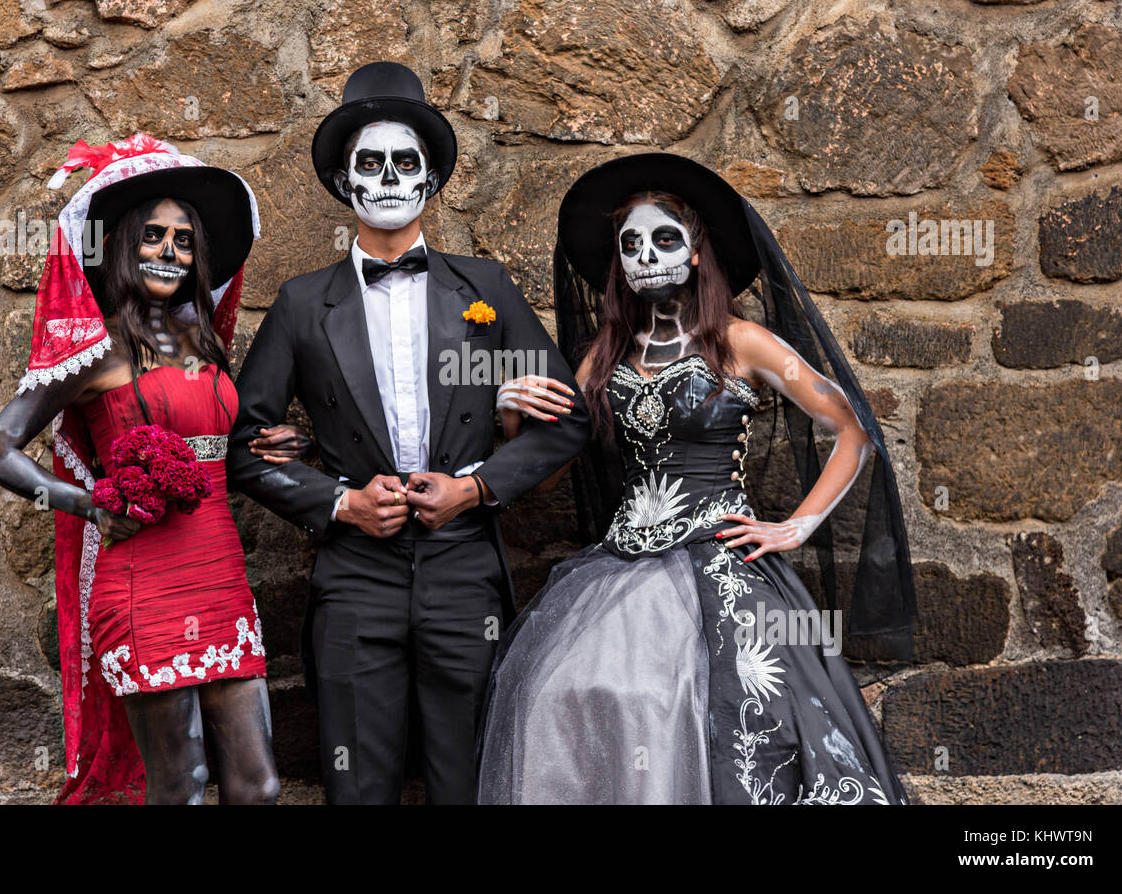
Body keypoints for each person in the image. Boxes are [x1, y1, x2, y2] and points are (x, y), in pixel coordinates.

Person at [476, 153, 916, 804]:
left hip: (723, 564)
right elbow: (545, 476)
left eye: (663, 238)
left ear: (694, 251)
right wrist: (512, 418)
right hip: (613, 577)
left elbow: (853, 429)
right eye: (630, 244)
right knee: (554, 692)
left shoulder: (743, 342)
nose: (646, 254)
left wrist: (797, 525)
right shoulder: (602, 355)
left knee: (717, 708)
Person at [227, 62, 590, 804]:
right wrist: (338, 500)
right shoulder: (300, 306)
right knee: (356, 781)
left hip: (465, 575)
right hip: (355, 576)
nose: (388, 177)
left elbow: (568, 418)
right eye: (369, 163)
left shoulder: (485, 291)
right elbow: (242, 446)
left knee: (475, 778)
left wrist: (477, 486)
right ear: (343, 183)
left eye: (406, 163)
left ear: (429, 181)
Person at [0, 134, 293, 804]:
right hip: (141, 582)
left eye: (183, 240)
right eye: (153, 235)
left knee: (260, 785)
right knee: (181, 783)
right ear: (122, 244)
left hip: (223, 574)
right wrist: (88, 503)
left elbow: (213, 447)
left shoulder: (203, 340)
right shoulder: (97, 353)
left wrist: (266, 446)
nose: (169, 251)